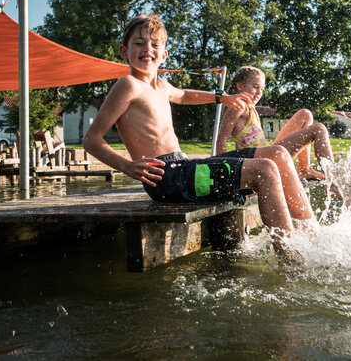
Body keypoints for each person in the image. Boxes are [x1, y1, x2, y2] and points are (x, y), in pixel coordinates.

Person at [83, 15, 314, 261]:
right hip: (166, 179)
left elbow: (184, 95)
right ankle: (291, 260)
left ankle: (311, 234)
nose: (147, 49)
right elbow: (92, 139)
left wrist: (220, 98)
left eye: (154, 44)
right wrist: (127, 166)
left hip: (182, 169)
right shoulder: (128, 84)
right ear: (124, 51)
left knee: (277, 154)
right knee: (265, 170)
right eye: (139, 43)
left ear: (164, 55)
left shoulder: (161, 87)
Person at [215, 66, 337, 183]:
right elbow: (221, 140)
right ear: (240, 86)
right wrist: (223, 172)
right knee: (318, 129)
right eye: (255, 87)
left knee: (305, 114)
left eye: (262, 89)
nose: (259, 92)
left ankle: (304, 169)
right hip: (257, 161)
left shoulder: (250, 107)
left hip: (266, 152)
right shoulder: (237, 106)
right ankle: (334, 182)